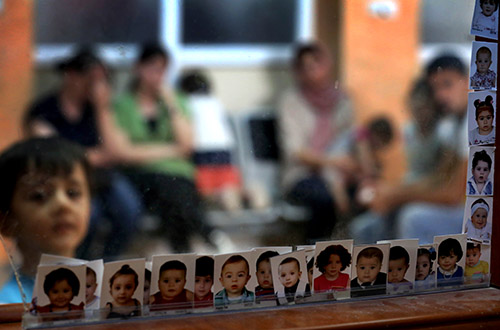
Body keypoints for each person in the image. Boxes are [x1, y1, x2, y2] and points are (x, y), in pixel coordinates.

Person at [23, 48, 143, 259]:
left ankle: (107, 264)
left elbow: (116, 152)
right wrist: (95, 155)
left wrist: (101, 109)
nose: (95, 85)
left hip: (101, 177)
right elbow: (56, 156)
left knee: (129, 209)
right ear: (72, 75)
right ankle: (78, 267)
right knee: (87, 216)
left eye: (102, 80)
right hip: (64, 179)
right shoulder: (44, 110)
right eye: (91, 78)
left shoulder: (98, 110)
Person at [352, 55, 469, 245]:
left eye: (447, 84)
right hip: (456, 206)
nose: (440, 95)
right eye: (435, 89)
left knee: (412, 217)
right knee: (369, 225)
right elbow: (440, 178)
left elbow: (452, 194)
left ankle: (417, 273)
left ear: (468, 81)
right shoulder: (452, 125)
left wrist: (397, 195)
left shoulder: (475, 122)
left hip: (482, 218)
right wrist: (391, 192)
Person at [112, 44, 214, 253]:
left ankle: (184, 254)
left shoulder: (177, 101)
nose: (157, 75)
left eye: (162, 69)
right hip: (141, 177)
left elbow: (187, 145)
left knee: (174, 193)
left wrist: (171, 103)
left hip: (176, 178)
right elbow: (123, 153)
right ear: (138, 68)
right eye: (152, 68)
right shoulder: (122, 105)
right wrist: (171, 150)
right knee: (171, 189)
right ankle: (207, 237)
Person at [277, 42, 354, 242]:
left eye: (317, 65)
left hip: (339, 173)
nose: (314, 72)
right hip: (302, 175)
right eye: (307, 68)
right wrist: (332, 162)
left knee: (363, 194)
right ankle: (313, 257)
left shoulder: (343, 99)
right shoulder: (291, 101)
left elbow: (351, 139)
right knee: (325, 199)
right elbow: (294, 151)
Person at [0, 138, 91, 304]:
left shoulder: (109, 292)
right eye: (39, 195)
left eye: (73, 193)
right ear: (5, 221)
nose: (63, 205)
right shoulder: (8, 306)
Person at [177, 69, 243, 211]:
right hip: (224, 148)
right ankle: (240, 196)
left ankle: (221, 198)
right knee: (226, 181)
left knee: (205, 189)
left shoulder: (186, 102)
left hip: (201, 148)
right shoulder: (215, 102)